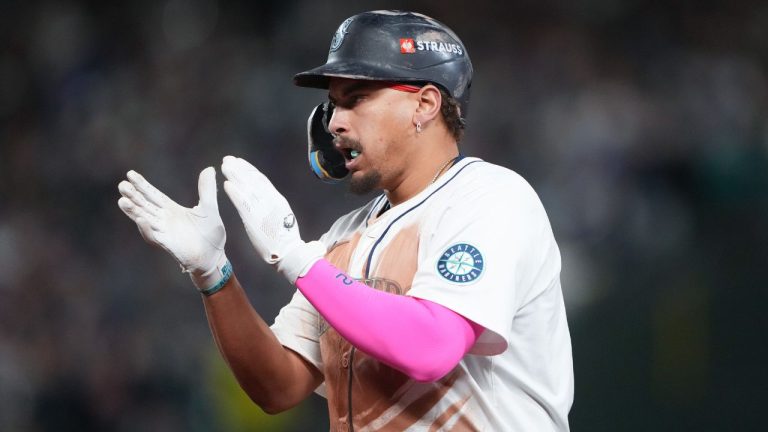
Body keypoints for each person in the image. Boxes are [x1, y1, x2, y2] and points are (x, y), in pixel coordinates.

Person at [118, 10, 573, 431]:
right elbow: (278, 386)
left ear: (425, 104)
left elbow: (433, 348)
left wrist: (297, 260)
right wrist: (214, 275)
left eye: (357, 99)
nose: (334, 122)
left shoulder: (490, 198)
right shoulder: (344, 237)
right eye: (333, 104)